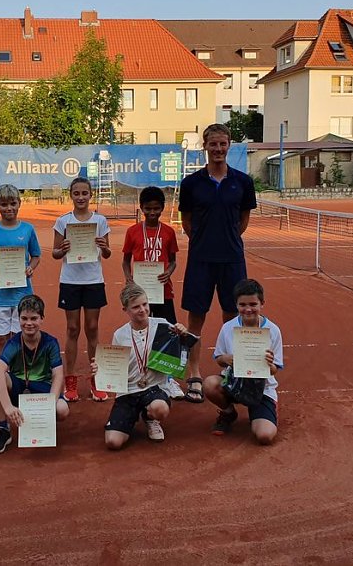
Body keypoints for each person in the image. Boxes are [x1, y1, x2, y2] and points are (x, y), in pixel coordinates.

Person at [179, 123, 257, 404]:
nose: (218, 149)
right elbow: (187, 221)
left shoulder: (243, 182)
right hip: (200, 259)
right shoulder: (191, 184)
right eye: (213, 144)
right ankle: (195, 375)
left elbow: (244, 219)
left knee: (231, 318)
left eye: (223, 144)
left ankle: (231, 373)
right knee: (195, 319)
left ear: (229, 145)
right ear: (205, 147)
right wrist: (202, 241)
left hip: (232, 259)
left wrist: (228, 240)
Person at [94, 283, 192, 450]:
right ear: (125, 310)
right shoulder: (120, 335)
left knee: (159, 409)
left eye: (145, 304)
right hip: (129, 391)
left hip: (154, 387)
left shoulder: (163, 325)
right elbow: (116, 369)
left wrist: (183, 333)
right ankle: (130, 417)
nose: (142, 310)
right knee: (113, 442)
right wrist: (101, 370)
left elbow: (181, 350)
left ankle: (150, 417)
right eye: (136, 307)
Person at [121, 186, 185, 400]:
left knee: (168, 333)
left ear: (162, 208)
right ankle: (143, 374)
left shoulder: (168, 231)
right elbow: (125, 259)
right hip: (141, 293)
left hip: (163, 291)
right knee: (144, 332)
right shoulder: (132, 231)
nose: (152, 213)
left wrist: (168, 272)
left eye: (156, 208)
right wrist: (129, 279)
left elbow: (174, 260)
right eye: (148, 208)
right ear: (141, 208)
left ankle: (169, 379)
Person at [52, 176, 111, 402]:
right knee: (73, 329)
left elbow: (106, 254)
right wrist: (63, 249)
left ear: (91, 195)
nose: (80, 197)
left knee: (93, 328)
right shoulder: (63, 221)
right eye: (76, 193)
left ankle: (96, 380)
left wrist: (105, 248)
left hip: (94, 280)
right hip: (70, 281)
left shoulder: (101, 221)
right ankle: (70, 380)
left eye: (84, 193)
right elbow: (55, 253)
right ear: (71, 195)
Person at [203, 279, 283, 444]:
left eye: (253, 304)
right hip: (234, 382)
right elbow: (219, 359)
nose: (248, 309)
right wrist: (226, 359)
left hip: (262, 388)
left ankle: (264, 411)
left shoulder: (273, 331)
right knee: (210, 384)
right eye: (242, 304)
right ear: (236, 305)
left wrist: (269, 364)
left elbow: (275, 370)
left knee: (265, 436)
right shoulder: (228, 328)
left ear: (262, 304)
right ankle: (228, 413)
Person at [0, 294, 69, 454]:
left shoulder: (50, 342)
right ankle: (3, 428)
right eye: (24, 318)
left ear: (42, 319)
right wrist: (8, 407)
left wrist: (50, 404)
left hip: (42, 388)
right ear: (19, 319)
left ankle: (42, 423)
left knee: (62, 409)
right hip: (19, 386)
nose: (29, 323)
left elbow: (58, 374)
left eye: (34, 318)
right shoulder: (14, 343)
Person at [0, 184, 42, 355]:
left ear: (19, 203)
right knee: (2, 338)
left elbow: (36, 255)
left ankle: (21, 373)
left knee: (22, 336)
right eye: (4, 204)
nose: (9, 208)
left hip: (22, 293)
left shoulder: (27, 229)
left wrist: (30, 268)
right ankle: (4, 371)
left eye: (13, 203)